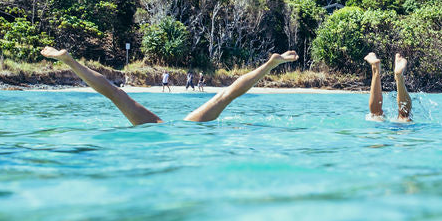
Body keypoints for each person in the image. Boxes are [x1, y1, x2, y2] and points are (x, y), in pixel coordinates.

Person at [42, 47, 297, 125]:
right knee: (225, 95)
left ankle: (69, 60)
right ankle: (269, 64)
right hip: (190, 128)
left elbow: (113, 90)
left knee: (116, 94)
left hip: (159, 129)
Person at [363, 52, 412, 122]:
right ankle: (399, 77)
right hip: (402, 130)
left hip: (381, 128)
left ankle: (375, 69)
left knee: (376, 115)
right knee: (404, 116)